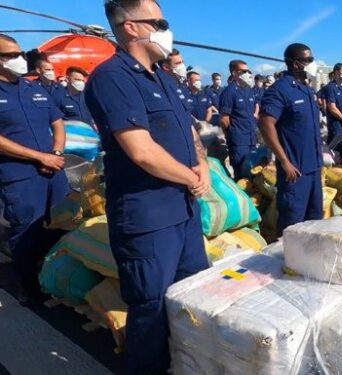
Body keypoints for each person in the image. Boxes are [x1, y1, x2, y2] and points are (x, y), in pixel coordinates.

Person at [86, 1, 211, 373]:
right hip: (149, 218)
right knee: (152, 314)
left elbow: (189, 129)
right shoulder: (112, 77)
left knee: (191, 299)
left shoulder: (161, 77)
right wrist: (191, 177)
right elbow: (141, 152)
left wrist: (202, 162)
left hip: (183, 210)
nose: (166, 29)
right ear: (132, 28)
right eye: (159, 22)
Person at [0, 34, 70, 305]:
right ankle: (27, 285)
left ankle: (53, 276)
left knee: (62, 222)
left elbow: (58, 123)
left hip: (55, 170)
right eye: (12, 55)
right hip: (19, 175)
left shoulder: (35, 89)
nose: (20, 59)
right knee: (26, 229)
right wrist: (39, 157)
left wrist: (56, 153)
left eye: (20, 53)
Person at [259, 43, 323, 235]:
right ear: (296, 64)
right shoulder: (280, 90)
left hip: (314, 168)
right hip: (295, 171)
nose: (313, 64)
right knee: (292, 224)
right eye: (309, 60)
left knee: (315, 220)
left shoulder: (306, 90)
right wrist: (284, 161)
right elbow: (265, 123)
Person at [218, 59, 259, 178]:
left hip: (251, 137)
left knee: (252, 170)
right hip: (239, 141)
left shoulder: (249, 90)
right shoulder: (229, 92)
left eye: (248, 71)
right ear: (234, 73)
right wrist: (230, 134)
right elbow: (224, 119)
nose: (247, 74)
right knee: (241, 172)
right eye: (244, 71)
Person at [322, 63, 342, 144]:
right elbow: (332, 107)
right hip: (337, 127)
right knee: (336, 150)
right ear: (336, 72)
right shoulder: (330, 87)